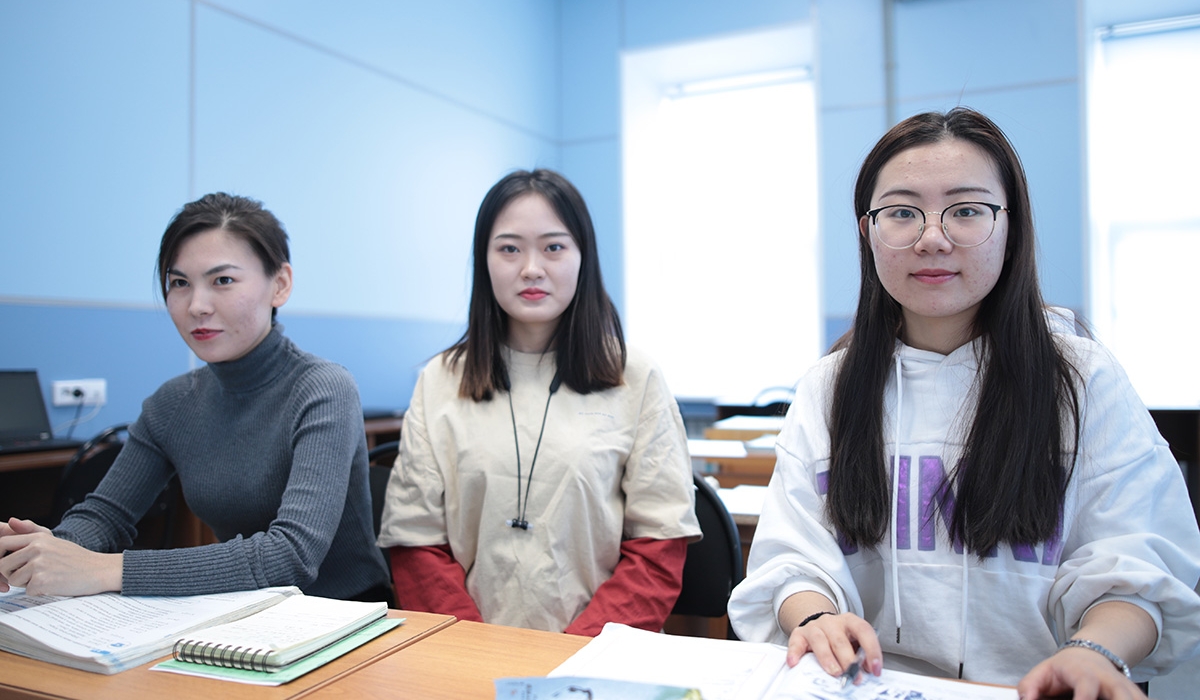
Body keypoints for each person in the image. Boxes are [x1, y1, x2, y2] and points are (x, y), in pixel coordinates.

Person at [726, 108, 1200, 699]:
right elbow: (792, 559)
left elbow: (1137, 564)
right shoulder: (830, 387)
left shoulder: (1083, 381)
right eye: (901, 212)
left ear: (1012, 226)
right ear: (867, 231)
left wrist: (1093, 650)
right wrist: (817, 619)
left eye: (967, 211)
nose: (931, 237)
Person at [0, 193, 391, 602]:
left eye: (223, 280)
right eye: (179, 283)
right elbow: (105, 515)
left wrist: (105, 568)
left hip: (341, 615)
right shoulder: (172, 404)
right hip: (235, 610)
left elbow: (290, 556)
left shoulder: (323, 387)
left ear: (280, 284)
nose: (196, 306)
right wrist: (37, 550)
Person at [377, 168, 700, 635]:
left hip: (599, 658)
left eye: (553, 247)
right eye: (509, 248)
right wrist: (474, 648)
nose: (531, 268)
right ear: (483, 260)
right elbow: (415, 541)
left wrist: (576, 654)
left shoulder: (636, 378)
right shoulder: (440, 380)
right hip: (465, 654)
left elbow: (658, 546)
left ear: (582, 257)